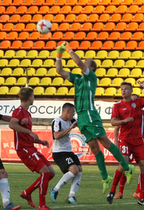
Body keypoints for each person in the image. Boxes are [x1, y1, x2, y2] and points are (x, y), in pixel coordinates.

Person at [55, 42, 134, 196]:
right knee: (95, 148)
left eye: (86, 63)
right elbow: (59, 70)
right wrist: (59, 54)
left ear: (91, 68)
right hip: (81, 117)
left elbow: (78, 62)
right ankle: (105, 178)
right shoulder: (78, 79)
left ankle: (126, 167)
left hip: (90, 114)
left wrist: (68, 49)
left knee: (105, 142)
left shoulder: (91, 77)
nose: (82, 64)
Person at [107, 80, 144, 206]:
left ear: (131, 91)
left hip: (139, 140)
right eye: (122, 89)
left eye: (126, 89)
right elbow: (113, 122)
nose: (123, 91)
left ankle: (142, 198)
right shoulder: (117, 106)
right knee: (124, 163)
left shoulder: (138, 103)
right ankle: (112, 191)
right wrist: (124, 121)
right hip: (125, 139)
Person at [9, 87, 55, 210]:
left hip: (30, 146)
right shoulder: (18, 111)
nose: (34, 98)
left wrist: (40, 141)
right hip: (23, 148)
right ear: (30, 98)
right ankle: (42, 204)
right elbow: (12, 124)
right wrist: (29, 132)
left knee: (51, 173)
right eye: (33, 96)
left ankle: (27, 193)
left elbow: (27, 135)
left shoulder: (27, 114)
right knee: (45, 172)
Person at [49, 103, 83, 205]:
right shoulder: (57, 121)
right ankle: (55, 189)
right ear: (67, 112)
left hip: (68, 151)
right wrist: (70, 128)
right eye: (73, 112)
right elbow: (56, 136)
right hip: (59, 152)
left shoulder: (71, 120)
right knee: (74, 170)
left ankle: (71, 196)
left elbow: (80, 124)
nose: (74, 114)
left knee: (79, 169)